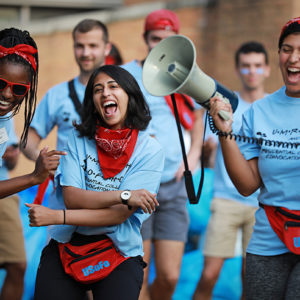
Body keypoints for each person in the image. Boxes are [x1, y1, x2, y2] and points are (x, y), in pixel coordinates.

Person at [26, 64, 165, 300]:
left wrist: (55, 216)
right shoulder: (77, 139)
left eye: (113, 86)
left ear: (130, 95)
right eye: (98, 89)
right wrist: (124, 194)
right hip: (66, 244)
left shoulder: (150, 149)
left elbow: (118, 215)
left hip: (119, 249)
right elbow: (73, 198)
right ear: (93, 102)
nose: (106, 93)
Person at [206, 17, 300, 299]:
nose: (293, 58)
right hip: (269, 239)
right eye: (286, 49)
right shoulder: (258, 112)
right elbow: (247, 185)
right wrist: (224, 133)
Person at [122, 9, 203, 300]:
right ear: (145, 38)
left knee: (169, 276)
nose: (160, 45)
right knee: (137, 275)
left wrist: (193, 155)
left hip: (173, 185)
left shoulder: (183, 73)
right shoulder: (126, 74)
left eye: (167, 39)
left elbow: (200, 113)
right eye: (155, 38)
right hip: (136, 187)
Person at [193, 41, 270, 300]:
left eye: (257, 66)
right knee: (209, 275)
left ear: (267, 70)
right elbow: (204, 145)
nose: (252, 72)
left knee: (251, 278)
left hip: (261, 204)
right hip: (225, 199)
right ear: (238, 70)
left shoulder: (272, 108)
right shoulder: (225, 105)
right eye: (246, 66)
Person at [0, 27, 64, 300]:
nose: (6, 94)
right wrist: (35, 178)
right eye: (0, 83)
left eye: (18, 89)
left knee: (17, 265)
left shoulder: (4, 115)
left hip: (5, 189)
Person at [21, 18, 111, 201]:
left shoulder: (121, 92)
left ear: (106, 48)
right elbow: (27, 140)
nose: (86, 53)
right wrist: (43, 160)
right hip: (65, 196)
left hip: (110, 194)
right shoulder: (57, 94)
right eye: (80, 46)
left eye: (93, 45)